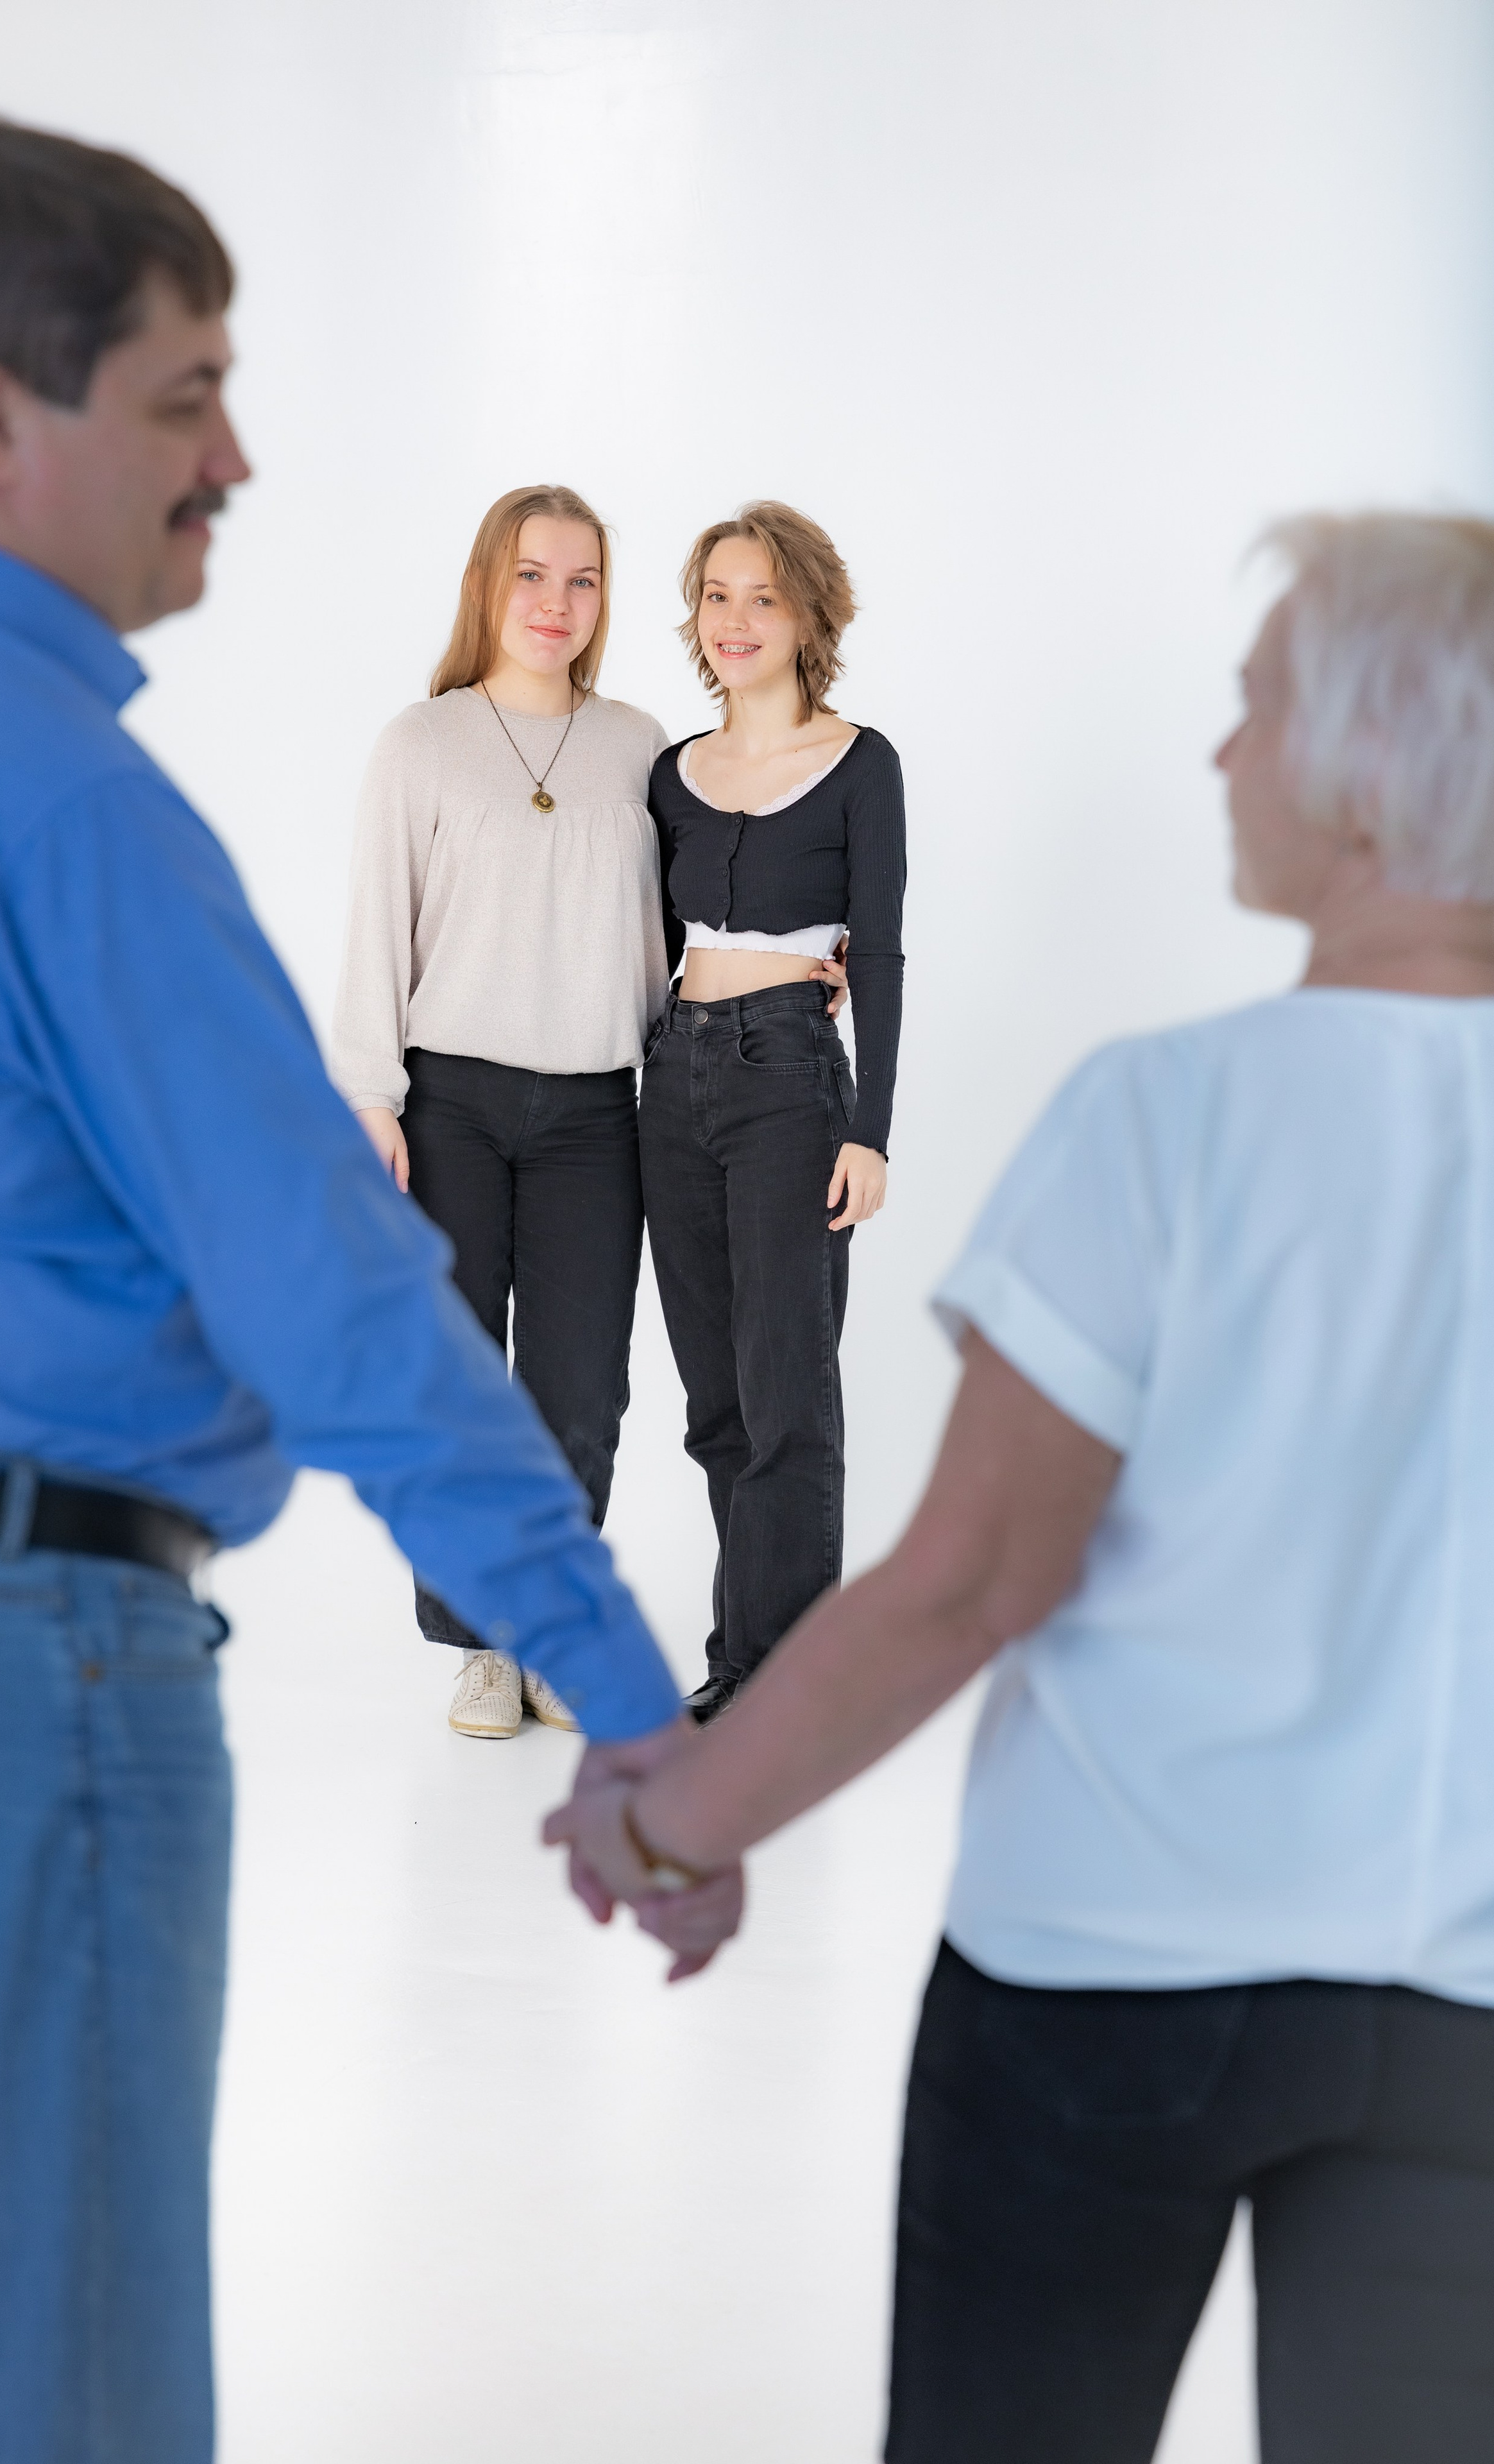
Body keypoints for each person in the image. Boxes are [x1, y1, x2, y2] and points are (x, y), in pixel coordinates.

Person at [0, 120, 737, 2464]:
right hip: (9, 1687)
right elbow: (337, 1299)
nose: (236, 460)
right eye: (187, 397)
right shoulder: (60, 805)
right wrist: (628, 1697)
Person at [549, 512, 1494, 2461]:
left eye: (1256, 707)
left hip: (1111, 1981)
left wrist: (677, 1820)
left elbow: (973, 1577)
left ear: (1372, 770)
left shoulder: (1170, 1116)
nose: (1219, 751)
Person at [330, 487, 666, 1741]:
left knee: (580, 1393)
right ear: (486, 585)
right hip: (449, 1108)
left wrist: (798, 964)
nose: (556, 603)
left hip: (597, 1112)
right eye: (532, 575)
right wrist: (369, 1098)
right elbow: (376, 932)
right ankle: (479, 1644)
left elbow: (681, 929)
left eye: (582, 580)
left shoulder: (639, 747)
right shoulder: (420, 744)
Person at [639, 501, 906, 1720]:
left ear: (808, 617)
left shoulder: (862, 763)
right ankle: (746, 1657)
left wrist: (871, 1130)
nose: (735, 620)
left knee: (788, 1390)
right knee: (717, 1404)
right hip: (671, 1080)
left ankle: (780, 1681)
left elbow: (880, 953)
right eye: (716, 596)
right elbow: (646, 943)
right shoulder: (671, 775)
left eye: (763, 597)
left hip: (791, 1085)